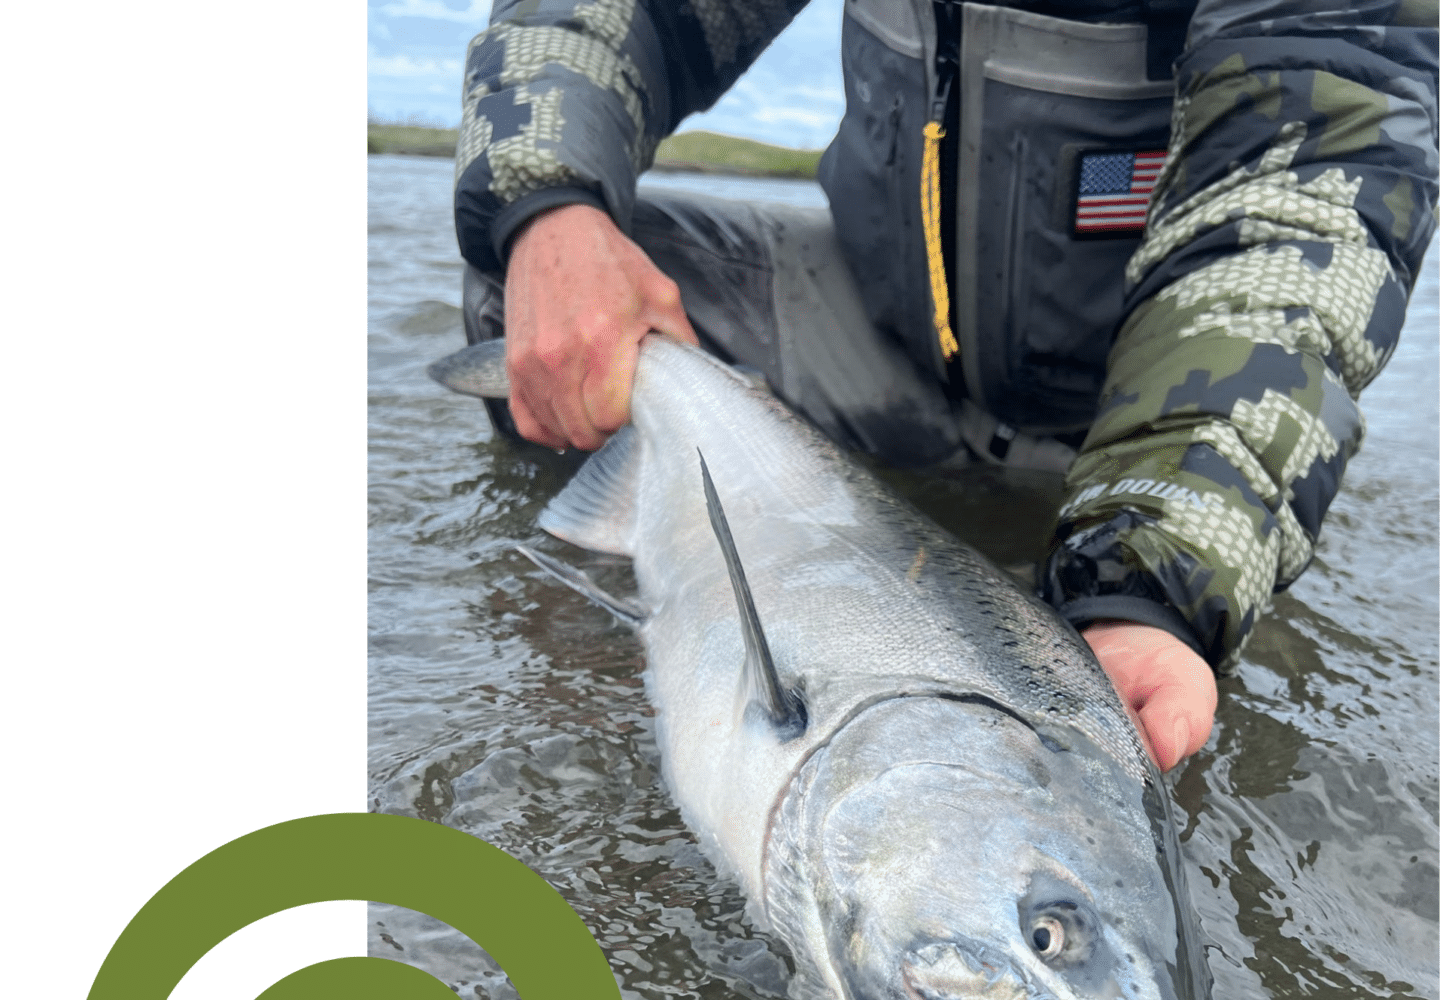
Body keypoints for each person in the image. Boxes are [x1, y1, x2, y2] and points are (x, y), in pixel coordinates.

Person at [449, 1, 1437, 771]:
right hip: (879, 337)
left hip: (1110, 417)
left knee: (1157, 589)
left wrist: (1151, 582)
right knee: (524, 294)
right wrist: (549, 200)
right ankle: (629, 589)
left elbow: (1304, 198)